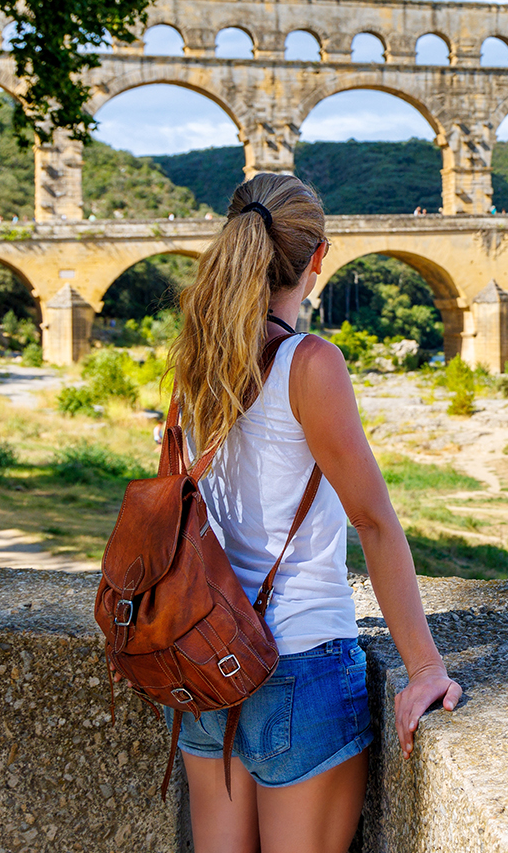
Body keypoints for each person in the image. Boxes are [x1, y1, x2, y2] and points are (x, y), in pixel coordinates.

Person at [168, 173, 461, 853]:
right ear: (318, 257)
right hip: (299, 658)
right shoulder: (310, 363)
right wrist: (424, 668)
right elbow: (374, 521)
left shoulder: (199, 356)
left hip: (206, 655)